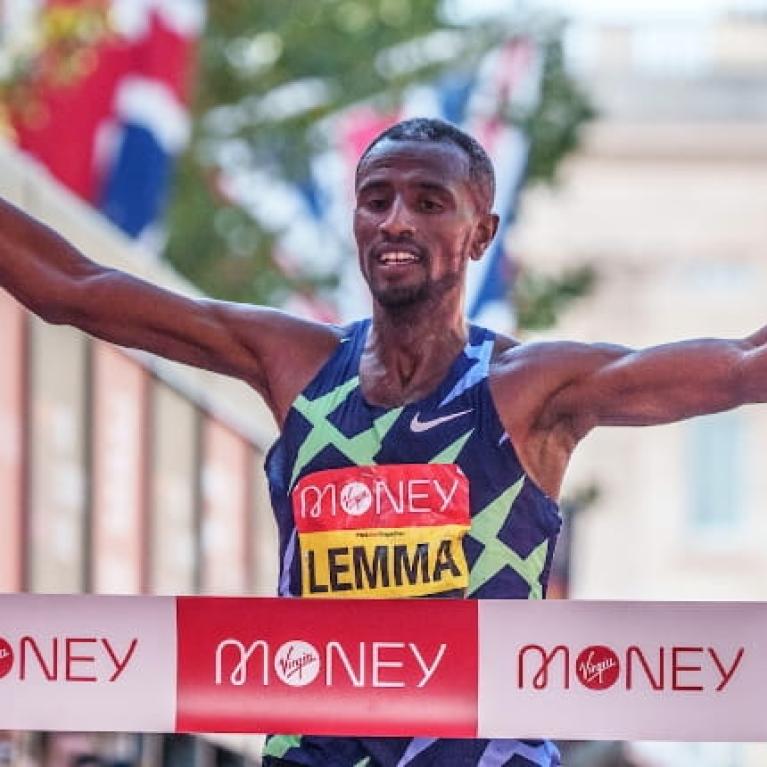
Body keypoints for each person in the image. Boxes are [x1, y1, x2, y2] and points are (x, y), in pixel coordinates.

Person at [0, 117, 765, 766]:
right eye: (376, 199)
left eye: (428, 201)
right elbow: (77, 288)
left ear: (479, 233)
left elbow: (737, 367)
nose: (395, 220)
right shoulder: (296, 364)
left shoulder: (530, 388)